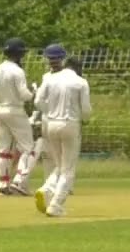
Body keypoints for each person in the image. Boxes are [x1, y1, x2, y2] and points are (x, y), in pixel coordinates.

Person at [33, 45, 91, 217]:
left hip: (51, 124)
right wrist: (84, 120)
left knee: (59, 166)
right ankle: (56, 204)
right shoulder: (81, 82)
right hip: (70, 124)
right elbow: (86, 110)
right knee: (68, 169)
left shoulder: (50, 79)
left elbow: (38, 102)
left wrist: (49, 112)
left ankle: (46, 188)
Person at [0, 38, 36, 195]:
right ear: (19, 54)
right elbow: (24, 95)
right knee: (28, 148)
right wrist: (34, 92)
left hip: (1, 110)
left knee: (4, 150)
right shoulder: (17, 71)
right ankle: (19, 181)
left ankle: (3, 184)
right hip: (15, 110)